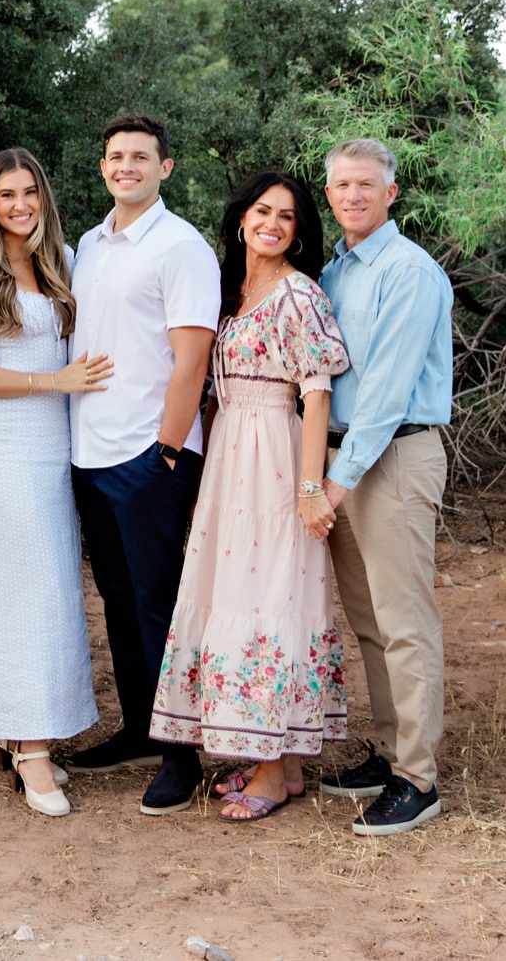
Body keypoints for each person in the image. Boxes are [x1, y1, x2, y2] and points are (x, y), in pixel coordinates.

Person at [148, 172, 352, 822]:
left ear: (299, 231)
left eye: (287, 216)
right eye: (263, 211)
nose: (273, 224)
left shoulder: (299, 294)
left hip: (274, 459)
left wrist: (310, 487)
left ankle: (269, 767)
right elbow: (212, 389)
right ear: (241, 218)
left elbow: (316, 392)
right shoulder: (230, 292)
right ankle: (283, 764)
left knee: (269, 598)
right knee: (233, 592)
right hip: (228, 457)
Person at [0, 148, 109, 817]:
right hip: (7, 443)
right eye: (7, 195)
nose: (20, 205)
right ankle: (29, 746)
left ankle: (20, 733)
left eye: (29, 192)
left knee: (54, 584)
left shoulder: (61, 261)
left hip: (57, 442)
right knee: (23, 586)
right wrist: (53, 381)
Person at [62, 114, 218, 818]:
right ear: (103, 167)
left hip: (149, 453)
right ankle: (140, 729)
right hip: (90, 452)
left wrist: (169, 448)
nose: (127, 166)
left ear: (165, 167)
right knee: (118, 599)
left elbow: (192, 358)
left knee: (159, 602)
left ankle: (183, 753)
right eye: (116, 156)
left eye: (141, 156)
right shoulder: (90, 245)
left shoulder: (181, 246)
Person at [316, 138, 454, 836]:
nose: (354, 195)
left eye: (367, 184)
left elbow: (386, 392)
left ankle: (418, 779)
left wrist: (334, 484)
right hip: (344, 457)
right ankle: (390, 752)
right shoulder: (334, 271)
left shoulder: (408, 271)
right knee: (368, 620)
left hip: (393, 455)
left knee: (405, 621)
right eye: (343, 184)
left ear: (391, 193)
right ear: (330, 193)